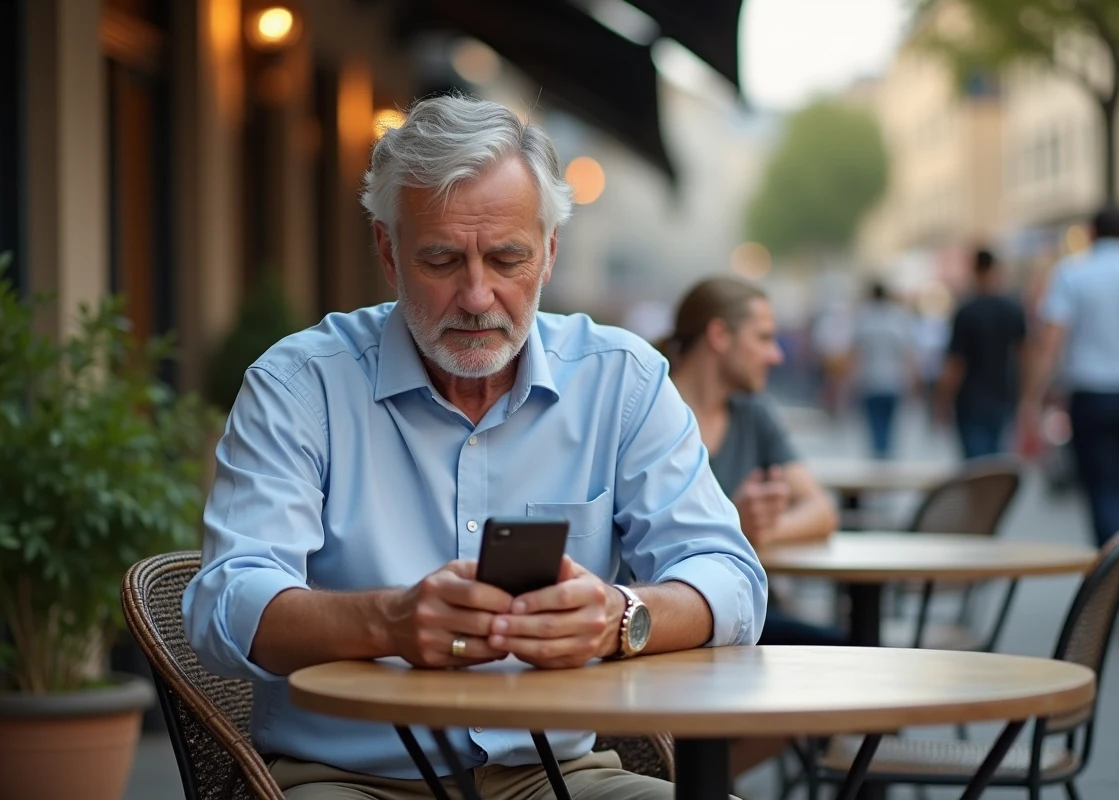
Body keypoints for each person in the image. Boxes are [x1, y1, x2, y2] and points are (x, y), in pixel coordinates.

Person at [182, 95, 767, 800]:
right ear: (388, 251)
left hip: (557, 777)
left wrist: (621, 617)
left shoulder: (624, 380)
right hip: (350, 779)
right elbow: (225, 606)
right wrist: (388, 622)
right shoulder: (299, 386)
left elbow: (732, 580)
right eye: (441, 259)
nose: (478, 295)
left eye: (507, 258)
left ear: (549, 254)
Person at [658, 276, 842, 646]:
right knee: (852, 651)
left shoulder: (751, 412)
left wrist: (757, 529)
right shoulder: (650, 411)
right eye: (763, 338)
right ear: (720, 336)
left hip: (745, 614)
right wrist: (734, 524)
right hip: (672, 618)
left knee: (853, 651)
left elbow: (822, 511)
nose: (777, 355)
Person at [1020, 206, 1119, 547]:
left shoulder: (1071, 274)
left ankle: (1114, 576)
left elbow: (1051, 342)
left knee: (1102, 488)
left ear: (1091, 234)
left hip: (1091, 395)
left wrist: (1031, 399)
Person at [935, 248, 1027, 459]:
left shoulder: (967, 312)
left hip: (971, 400)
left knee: (975, 467)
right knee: (995, 463)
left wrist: (942, 399)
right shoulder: (1012, 309)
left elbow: (956, 362)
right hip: (1003, 396)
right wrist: (1026, 397)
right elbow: (1025, 357)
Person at [850, 281, 916, 459]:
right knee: (890, 426)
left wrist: (852, 378)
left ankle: (879, 459)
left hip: (870, 380)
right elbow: (906, 352)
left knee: (875, 426)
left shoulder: (864, 318)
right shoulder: (897, 317)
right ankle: (886, 458)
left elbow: (856, 352)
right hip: (893, 380)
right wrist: (911, 378)